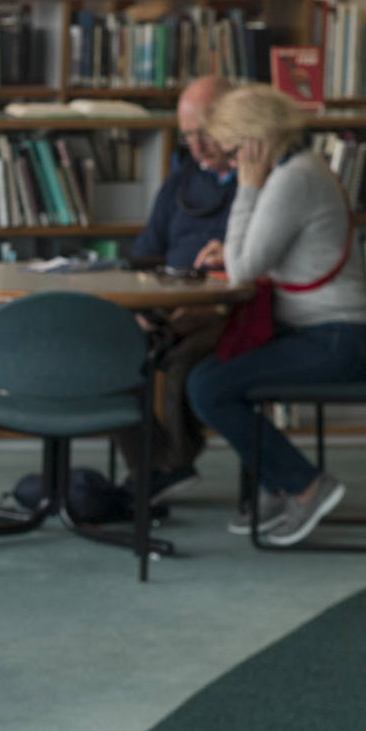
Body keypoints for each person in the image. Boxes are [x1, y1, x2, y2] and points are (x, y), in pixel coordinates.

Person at [186, 83, 366, 547]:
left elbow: (245, 268)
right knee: (206, 375)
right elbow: (256, 254)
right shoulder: (297, 170)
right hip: (321, 334)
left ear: (254, 142)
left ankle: (306, 485)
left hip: (338, 340)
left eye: (233, 153)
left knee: (209, 387)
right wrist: (235, 243)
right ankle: (281, 482)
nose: (231, 165)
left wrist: (247, 189)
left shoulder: (291, 179)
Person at [120, 74, 235, 499]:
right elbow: (148, 251)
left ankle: (173, 463)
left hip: (228, 309)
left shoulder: (261, 181)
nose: (198, 146)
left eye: (206, 134)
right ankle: (152, 462)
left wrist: (214, 309)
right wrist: (139, 307)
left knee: (184, 358)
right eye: (188, 136)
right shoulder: (181, 180)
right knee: (109, 348)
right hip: (167, 302)